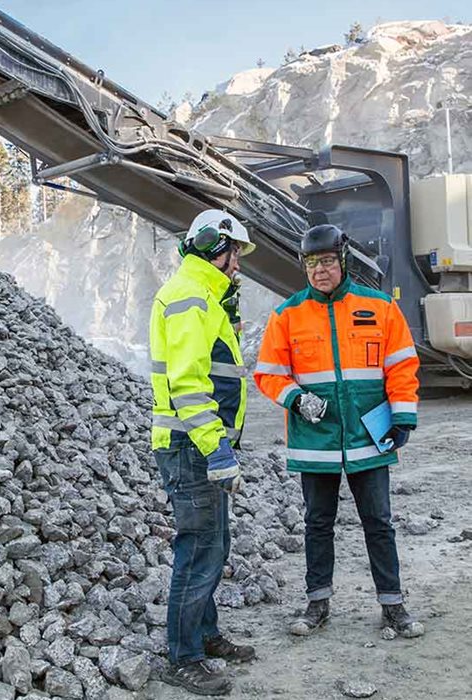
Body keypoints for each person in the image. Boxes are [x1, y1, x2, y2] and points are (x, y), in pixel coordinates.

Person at [254, 224, 424, 639]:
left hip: (369, 438)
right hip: (317, 442)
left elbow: (401, 366)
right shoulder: (287, 315)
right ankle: (317, 603)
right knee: (317, 523)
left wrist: (402, 416)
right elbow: (268, 374)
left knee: (379, 523)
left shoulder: (380, 307)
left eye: (327, 261)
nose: (319, 271)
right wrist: (296, 398)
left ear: (343, 261)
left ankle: (393, 605)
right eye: (311, 263)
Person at [150, 209, 257, 696]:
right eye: (235, 254)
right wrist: (216, 447)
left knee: (215, 544)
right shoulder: (192, 298)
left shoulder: (205, 297)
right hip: (193, 446)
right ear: (218, 249)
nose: (238, 265)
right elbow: (189, 386)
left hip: (199, 445)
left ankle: (205, 634)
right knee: (199, 551)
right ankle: (183, 656)